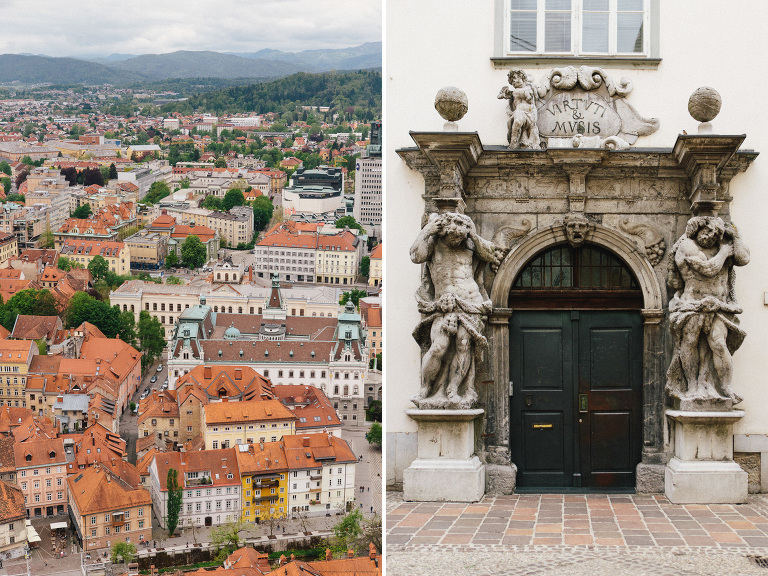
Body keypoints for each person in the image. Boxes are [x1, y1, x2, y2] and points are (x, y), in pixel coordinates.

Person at [411, 212, 504, 408]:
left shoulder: (470, 243)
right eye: (451, 225)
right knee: (439, 346)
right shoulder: (433, 242)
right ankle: (426, 388)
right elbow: (415, 256)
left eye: (460, 224)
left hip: (470, 302)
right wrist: (427, 231)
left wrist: (473, 235)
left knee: (463, 344)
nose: (455, 229)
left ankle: (453, 389)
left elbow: (488, 254)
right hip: (444, 305)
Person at [666, 216, 750, 402]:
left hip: (718, 306)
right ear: (697, 230)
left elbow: (743, 259)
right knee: (690, 343)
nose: (710, 235)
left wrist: (735, 236)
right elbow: (707, 269)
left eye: (715, 233)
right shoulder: (687, 246)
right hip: (692, 305)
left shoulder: (723, 246)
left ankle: (724, 388)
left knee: (718, 344)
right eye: (707, 231)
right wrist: (724, 252)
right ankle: (693, 387)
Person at [498, 68, 541, 149]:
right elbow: (500, 96)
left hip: (531, 113)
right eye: (511, 81)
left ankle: (521, 140)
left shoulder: (531, 87)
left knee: (526, 125)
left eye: (515, 78)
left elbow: (538, 96)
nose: (513, 81)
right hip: (519, 111)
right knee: (517, 121)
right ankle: (513, 143)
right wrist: (504, 94)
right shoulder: (515, 92)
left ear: (522, 77)